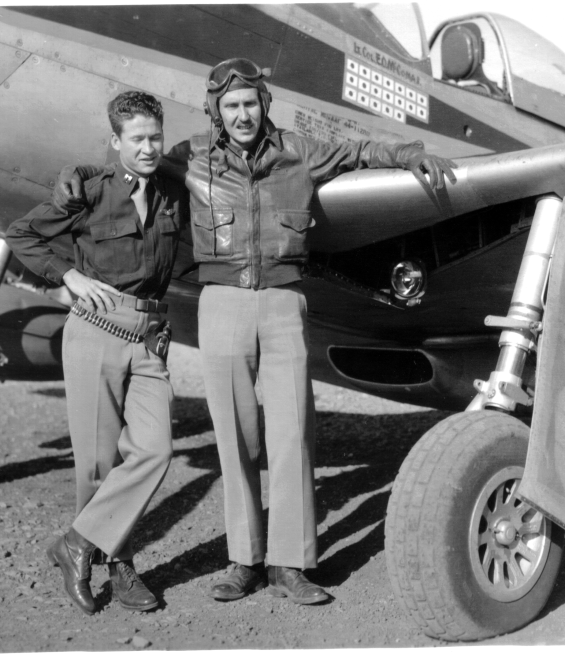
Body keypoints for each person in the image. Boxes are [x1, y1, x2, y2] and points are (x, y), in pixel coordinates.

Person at [53, 58, 455, 605]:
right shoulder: (187, 156)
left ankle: (290, 565)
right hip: (221, 305)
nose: (242, 115)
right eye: (231, 106)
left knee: (292, 431)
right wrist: (82, 177)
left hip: (285, 302)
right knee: (235, 436)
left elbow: (362, 149)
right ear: (216, 112)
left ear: (265, 104)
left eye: (250, 103)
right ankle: (243, 561)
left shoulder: (301, 151)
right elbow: (132, 164)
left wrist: (412, 154)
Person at [7, 91, 187, 615]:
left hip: (150, 336)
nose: (150, 147)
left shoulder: (173, 191)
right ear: (116, 142)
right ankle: (119, 564)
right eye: (138, 139)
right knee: (97, 462)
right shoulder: (87, 190)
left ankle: (77, 545)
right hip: (96, 329)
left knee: (155, 450)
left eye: (155, 136)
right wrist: (70, 277)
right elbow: (23, 235)